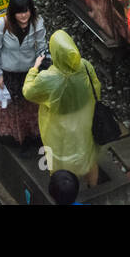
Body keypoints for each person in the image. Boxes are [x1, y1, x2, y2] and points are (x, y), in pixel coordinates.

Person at [23, 30, 101, 188]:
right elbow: (97, 88)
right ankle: (93, 188)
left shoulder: (48, 78)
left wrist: (33, 70)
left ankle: (63, 190)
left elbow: (28, 92)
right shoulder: (85, 65)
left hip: (57, 128)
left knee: (58, 161)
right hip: (83, 122)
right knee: (87, 157)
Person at [0, 0, 46, 153]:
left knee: (31, 104)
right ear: (12, 13)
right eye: (19, 12)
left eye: (26, 11)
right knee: (10, 107)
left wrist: (40, 67)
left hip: (28, 72)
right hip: (8, 74)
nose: (23, 15)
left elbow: (41, 47)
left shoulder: (37, 23)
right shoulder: (2, 25)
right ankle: (14, 138)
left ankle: (33, 135)